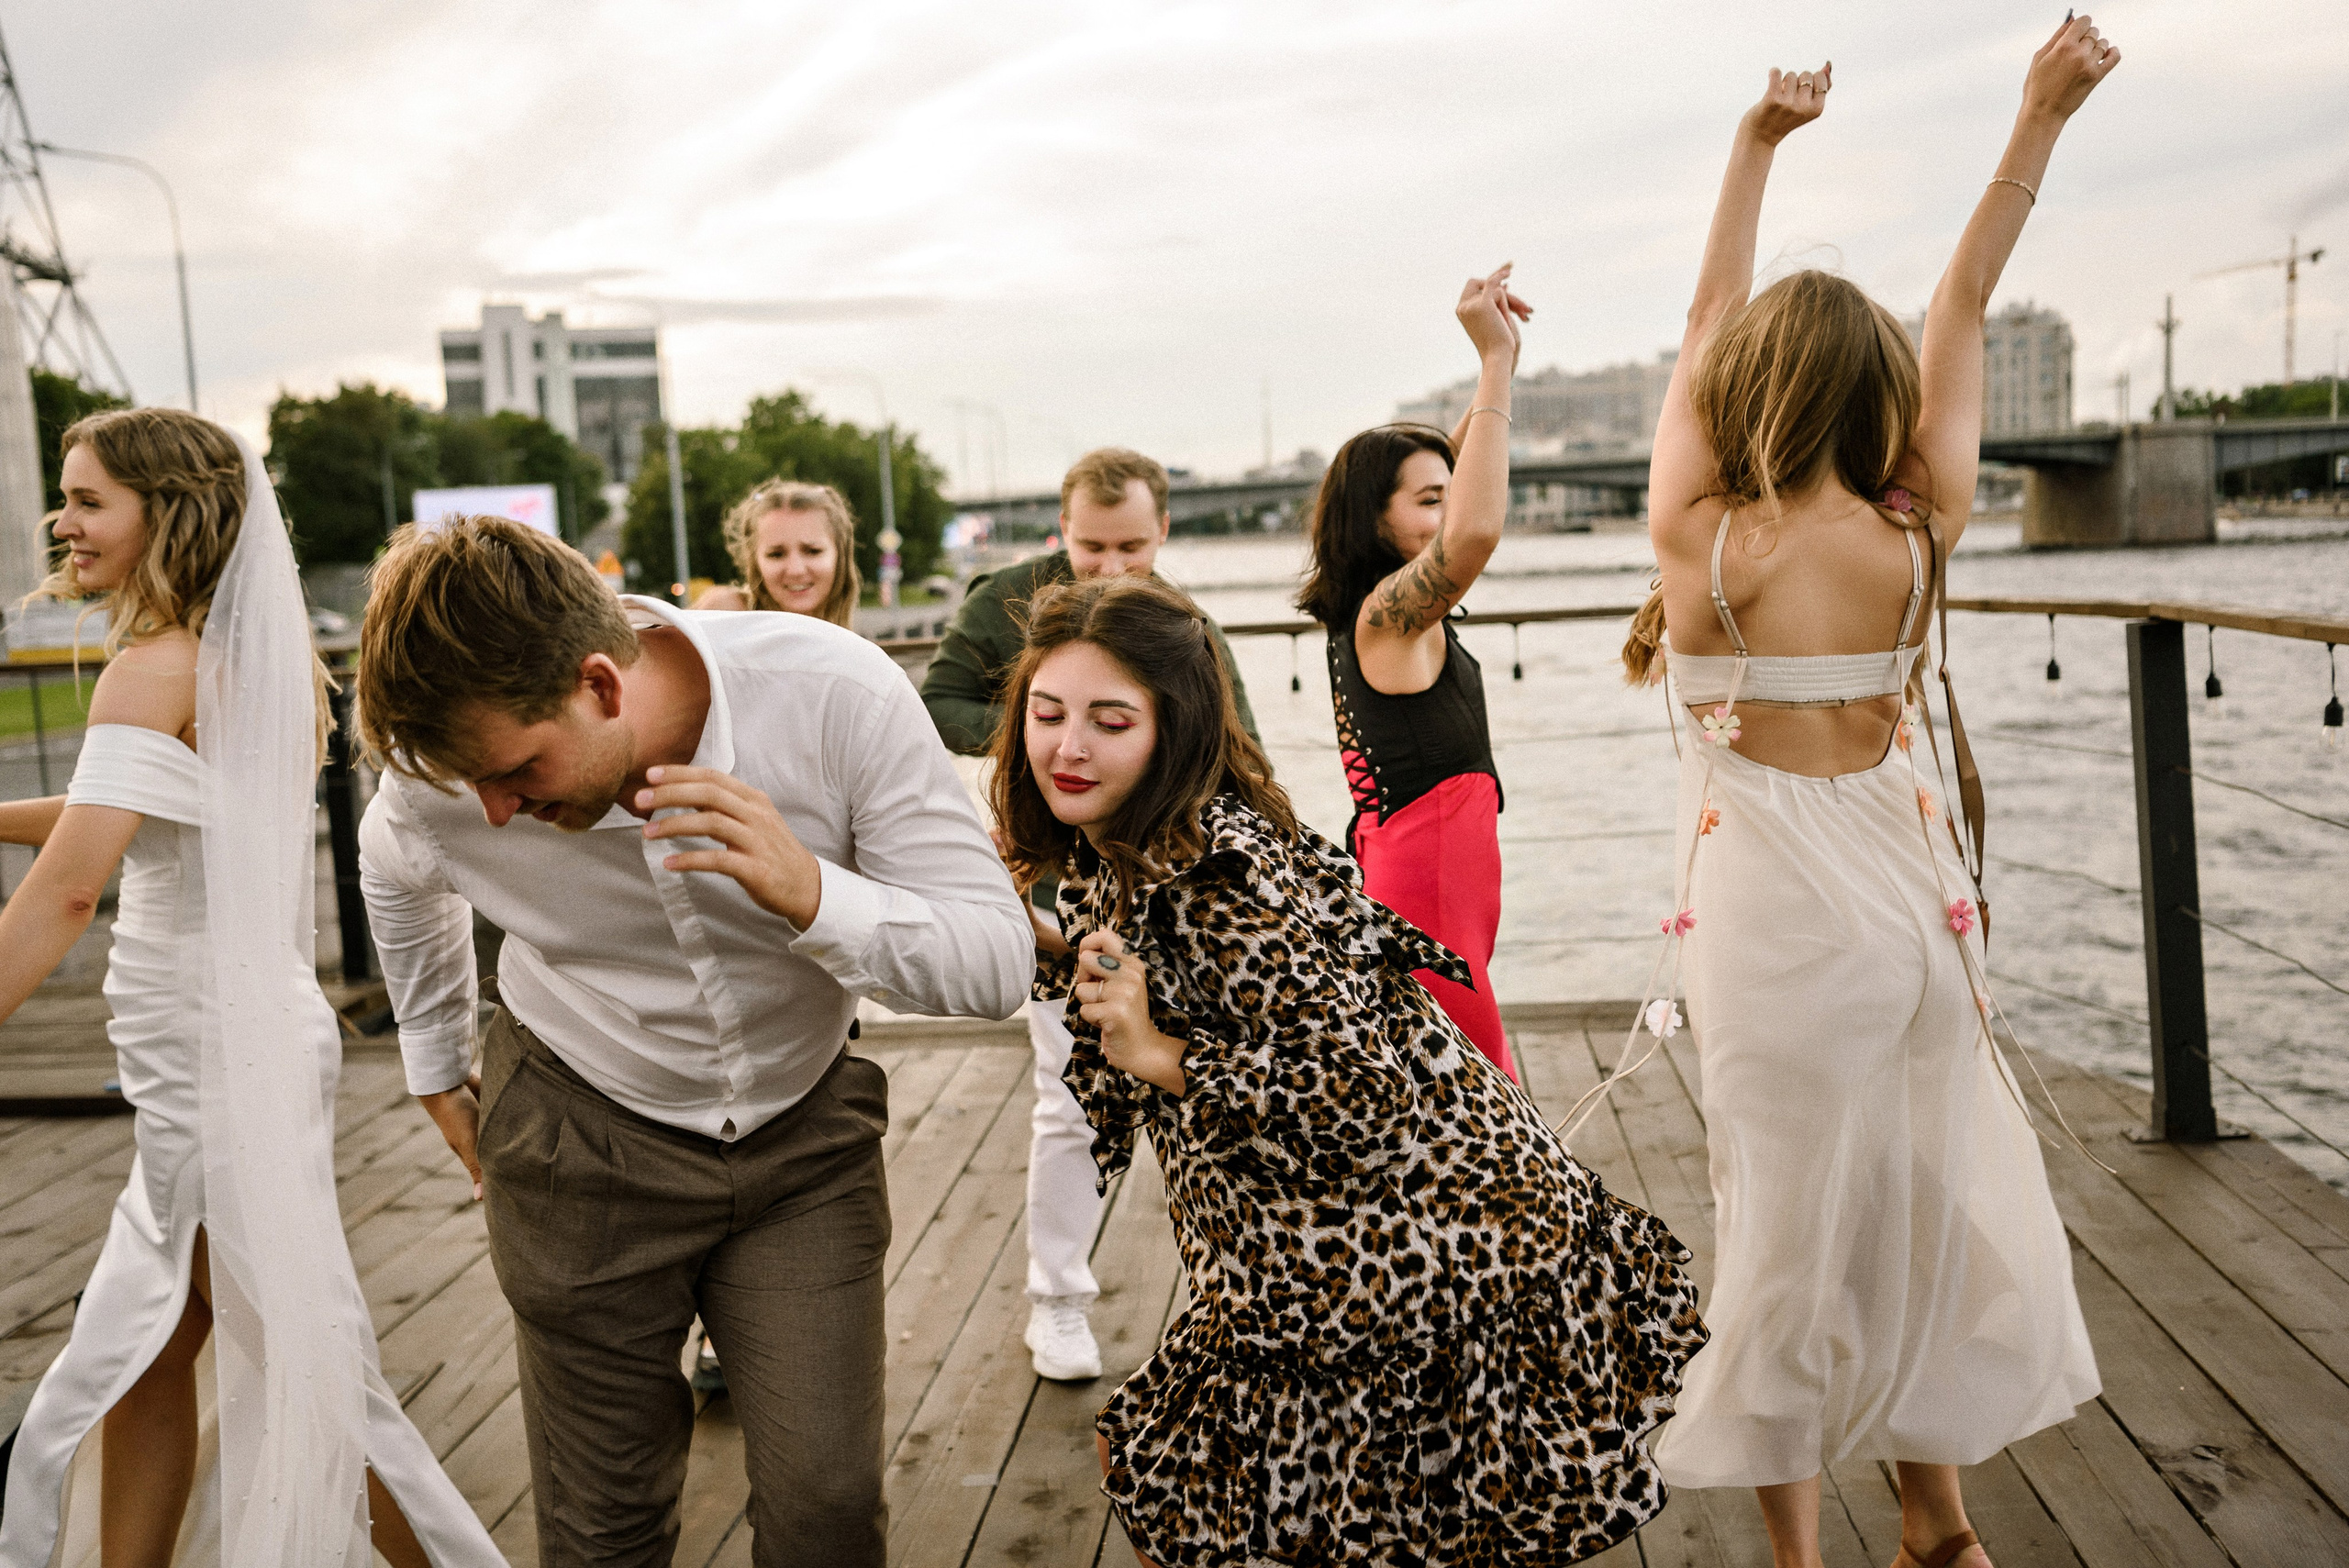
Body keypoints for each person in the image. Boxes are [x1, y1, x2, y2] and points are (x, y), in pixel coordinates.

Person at [1628, 29, 2117, 1568]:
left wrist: (1757, 145)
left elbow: (1709, 314)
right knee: (1917, 1201)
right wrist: (2038, 112)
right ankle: (1939, 1522)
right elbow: (1965, 297)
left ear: (1746, 387)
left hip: (1772, 918)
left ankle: (1798, 1556)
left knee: (1781, 1227)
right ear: (1883, 393)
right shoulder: (1924, 525)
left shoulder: (1707, 541)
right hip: (1910, 910)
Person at [352, 516, 1030, 1567]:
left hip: (800, 1136)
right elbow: (394, 872)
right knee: (600, 1526)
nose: (491, 812)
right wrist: (435, 1061)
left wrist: (815, 893)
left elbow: (996, 963)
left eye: (516, 768)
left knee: (828, 1511)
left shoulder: (833, 694)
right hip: (573, 1133)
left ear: (601, 685)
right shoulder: (443, 778)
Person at [994, 573, 1707, 1567]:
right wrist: (1039, 937)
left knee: (1308, 1524)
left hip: (1412, 1256)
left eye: (1109, 720)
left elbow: (1354, 1089)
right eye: (1046, 712)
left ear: (1175, 726)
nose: (1067, 746)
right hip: (1343, 1253)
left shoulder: (1208, 869)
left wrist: (1162, 1054)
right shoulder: (1139, 842)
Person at [0, 409, 502, 1567]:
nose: (60, 522)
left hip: (208, 1044)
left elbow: (72, 887)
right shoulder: (256, 667)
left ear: (165, 514)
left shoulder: (149, 667)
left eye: (88, 501)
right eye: (63, 497)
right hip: (252, 1028)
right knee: (153, 1341)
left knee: (306, 1364)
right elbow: (136, 814)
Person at [921, 447, 1258, 1385]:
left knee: (1209, 1101)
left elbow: (1245, 757)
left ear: (1163, 536)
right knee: (1069, 1101)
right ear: (1059, 534)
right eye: (1090, 547)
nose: (1110, 568)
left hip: (1178, 901)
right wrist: (1053, 746)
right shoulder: (1009, 600)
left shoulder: (1184, 626)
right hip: (1058, 897)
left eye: (1131, 549)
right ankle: (1057, 1298)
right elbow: (938, 696)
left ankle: (1240, 1306)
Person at [1296, 266, 1531, 1080]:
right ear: (1375, 518)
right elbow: (1472, 533)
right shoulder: (1387, 617)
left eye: (1444, 494)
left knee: (1452, 1083)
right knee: (1470, 1088)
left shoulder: (1379, 605)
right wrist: (1496, 365)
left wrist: (1496, 359)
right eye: (1426, 500)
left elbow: (1456, 483)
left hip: (1439, 877)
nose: (1446, 508)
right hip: (1425, 886)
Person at [692, 478, 862, 625]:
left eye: (812, 551)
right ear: (754, 560)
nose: (796, 570)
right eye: (776, 554)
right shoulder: (726, 612)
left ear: (840, 555)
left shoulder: (841, 636)